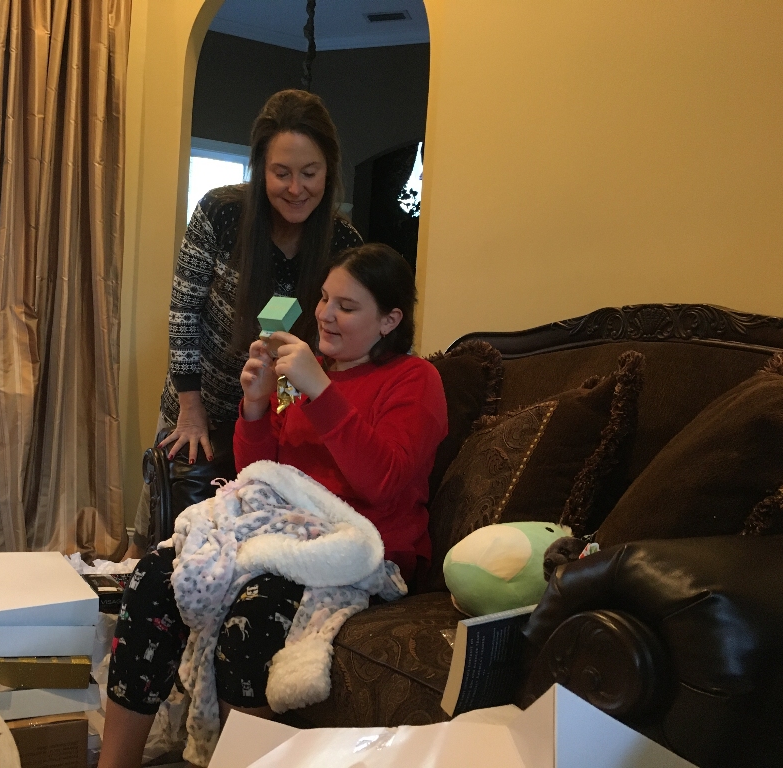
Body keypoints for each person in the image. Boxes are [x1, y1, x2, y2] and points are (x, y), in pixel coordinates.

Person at [99, 244, 447, 768]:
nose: (325, 314)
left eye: (347, 306)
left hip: (357, 551)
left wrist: (319, 388)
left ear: (389, 320)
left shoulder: (415, 380)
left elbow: (383, 480)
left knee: (254, 613)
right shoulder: (303, 380)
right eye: (324, 298)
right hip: (277, 531)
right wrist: (258, 404)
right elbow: (259, 474)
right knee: (152, 578)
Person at [125, 89, 362, 560]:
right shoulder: (221, 213)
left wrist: (291, 417)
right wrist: (190, 409)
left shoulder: (343, 241)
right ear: (260, 169)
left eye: (310, 173)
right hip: (197, 401)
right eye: (281, 173)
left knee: (244, 543)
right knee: (160, 531)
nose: (296, 188)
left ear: (329, 171)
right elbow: (183, 312)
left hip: (274, 417)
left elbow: (333, 343)